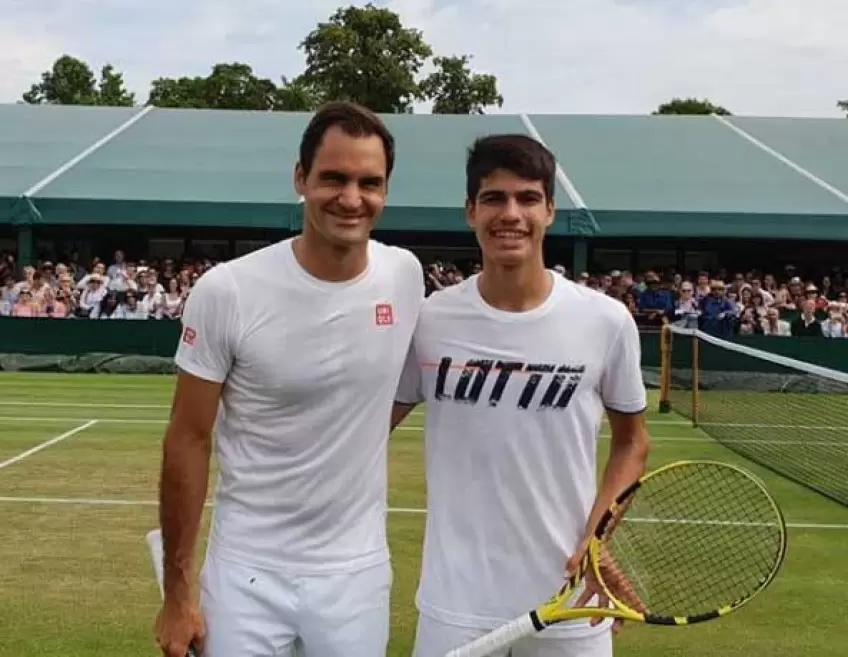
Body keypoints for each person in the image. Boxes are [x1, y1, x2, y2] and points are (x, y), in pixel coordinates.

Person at [155, 101, 425, 657]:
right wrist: (178, 593)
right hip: (245, 571)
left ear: (386, 191)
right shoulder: (227, 291)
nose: (352, 198)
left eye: (369, 183)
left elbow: (403, 386)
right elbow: (188, 437)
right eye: (334, 178)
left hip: (357, 572)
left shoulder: (405, 274)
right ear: (301, 178)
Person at [391, 134, 651, 657]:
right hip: (454, 601)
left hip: (570, 600)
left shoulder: (605, 321)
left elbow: (632, 444)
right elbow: (361, 430)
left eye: (527, 198)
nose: (511, 214)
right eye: (494, 198)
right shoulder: (430, 319)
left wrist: (598, 536)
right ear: (470, 211)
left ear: (550, 210)